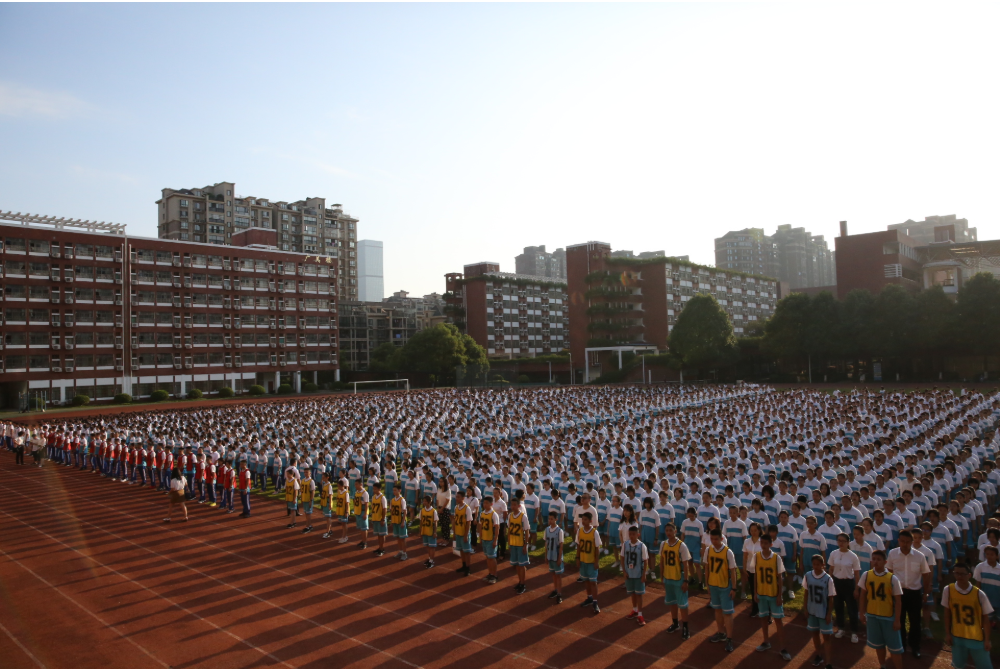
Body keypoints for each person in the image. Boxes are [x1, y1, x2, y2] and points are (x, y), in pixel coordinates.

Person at [885, 529, 931, 658]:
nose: (905, 544)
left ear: (912, 542)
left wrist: (925, 593)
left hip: (914, 592)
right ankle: (901, 646)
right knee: (899, 620)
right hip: (898, 593)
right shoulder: (893, 554)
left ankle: (915, 647)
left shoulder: (919, 556)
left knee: (915, 622)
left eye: (908, 542)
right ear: (898, 541)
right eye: (902, 541)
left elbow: (926, 574)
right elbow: (889, 573)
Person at [858, 549, 904, 670]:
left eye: (878, 560)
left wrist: (897, 620)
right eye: (874, 559)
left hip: (888, 617)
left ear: (885, 562)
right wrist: (861, 613)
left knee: (895, 648)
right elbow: (863, 595)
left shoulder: (892, 578)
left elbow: (898, 601)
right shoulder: (866, 575)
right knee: (878, 645)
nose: (875, 562)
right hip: (872, 616)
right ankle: (882, 666)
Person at [942, 562, 994, 669]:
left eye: (962, 574)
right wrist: (948, 633)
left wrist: (987, 639)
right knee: (958, 666)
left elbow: (985, 619)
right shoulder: (948, 590)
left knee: (985, 667)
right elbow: (947, 614)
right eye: (956, 573)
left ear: (969, 575)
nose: (959, 576)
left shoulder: (979, 594)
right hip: (957, 636)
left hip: (976, 637)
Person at [749, 534, 791, 661]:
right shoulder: (756, 556)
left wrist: (779, 595)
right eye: (762, 543)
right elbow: (755, 575)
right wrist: (755, 592)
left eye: (766, 543)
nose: (763, 545)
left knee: (778, 621)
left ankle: (783, 648)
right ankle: (766, 641)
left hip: (773, 594)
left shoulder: (776, 558)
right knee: (763, 618)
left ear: (771, 544)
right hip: (761, 593)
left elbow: (780, 577)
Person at [704, 527, 738, 653]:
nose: (714, 541)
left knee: (727, 613)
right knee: (717, 610)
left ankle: (729, 638)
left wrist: (734, 588)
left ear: (722, 538)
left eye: (716, 539)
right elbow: (706, 567)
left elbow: (733, 571)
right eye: (712, 539)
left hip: (724, 586)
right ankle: (721, 632)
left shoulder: (728, 552)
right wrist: (707, 584)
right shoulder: (709, 550)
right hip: (713, 585)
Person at [803, 554, 835, 669]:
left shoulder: (828, 579)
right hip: (812, 611)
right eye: (814, 564)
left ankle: (829, 662)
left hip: (823, 612)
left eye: (818, 564)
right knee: (815, 634)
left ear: (823, 565)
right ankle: (818, 655)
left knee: (826, 637)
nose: (816, 567)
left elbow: (831, 598)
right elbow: (806, 593)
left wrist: (829, 614)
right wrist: (805, 608)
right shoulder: (807, 576)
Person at [660, 523, 691, 640]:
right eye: (666, 530)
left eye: (670, 530)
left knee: (682, 604)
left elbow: (686, 564)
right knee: (672, 602)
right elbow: (662, 561)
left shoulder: (681, 546)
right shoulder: (663, 544)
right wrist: (662, 577)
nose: (668, 532)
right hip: (668, 578)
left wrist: (686, 581)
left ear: (675, 531)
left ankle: (686, 628)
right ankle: (675, 623)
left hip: (678, 579)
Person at [828, 532, 861, 643]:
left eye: (843, 541)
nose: (841, 543)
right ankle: (841, 628)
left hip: (848, 583)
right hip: (837, 583)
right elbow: (831, 569)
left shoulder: (853, 556)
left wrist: (856, 589)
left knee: (852, 609)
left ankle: (854, 632)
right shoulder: (833, 553)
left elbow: (856, 574)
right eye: (839, 541)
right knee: (838, 607)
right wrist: (830, 583)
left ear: (848, 542)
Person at [621, 524, 649, 625]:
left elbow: (645, 561)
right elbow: (622, 558)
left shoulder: (642, 546)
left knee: (639, 594)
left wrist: (644, 574)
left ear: (638, 534)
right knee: (632, 593)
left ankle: (640, 614)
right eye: (630, 534)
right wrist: (624, 571)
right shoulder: (625, 544)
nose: (631, 536)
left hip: (638, 573)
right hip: (629, 573)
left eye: (633, 534)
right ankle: (634, 610)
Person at [576, 512, 601, 614]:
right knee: (586, 580)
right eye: (583, 519)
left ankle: (595, 602)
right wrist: (577, 558)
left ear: (590, 521)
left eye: (585, 519)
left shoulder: (594, 532)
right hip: (583, 560)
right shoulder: (580, 531)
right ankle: (589, 597)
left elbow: (597, 548)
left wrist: (596, 561)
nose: (583, 521)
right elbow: (578, 545)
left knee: (593, 582)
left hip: (591, 562)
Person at [508, 496, 531, 594]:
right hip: (513, 543)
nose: (512, 507)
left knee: (522, 565)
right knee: (517, 565)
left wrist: (525, 544)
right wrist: (509, 542)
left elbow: (527, 530)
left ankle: (523, 583)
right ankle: (520, 581)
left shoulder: (523, 516)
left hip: (520, 544)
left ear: (519, 505)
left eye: (514, 505)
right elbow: (509, 530)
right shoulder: (510, 516)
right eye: (511, 505)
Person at [479, 495, 501, 584]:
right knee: (488, 557)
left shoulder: (494, 514)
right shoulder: (482, 513)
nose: (485, 504)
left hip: (490, 539)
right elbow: (480, 526)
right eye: (484, 503)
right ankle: (490, 573)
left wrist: (495, 540)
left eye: (487, 503)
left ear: (491, 504)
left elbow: (497, 528)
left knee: (492, 558)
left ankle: (494, 575)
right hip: (484, 538)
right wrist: (480, 537)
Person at [544, 511, 565, 604]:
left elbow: (561, 545)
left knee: (558, 575)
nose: (550, 520)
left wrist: (559, 558)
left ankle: (559, 593)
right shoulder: (547, 530)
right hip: (550, 555)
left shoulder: (559, 531)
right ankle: (555, 590)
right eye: (549, 519)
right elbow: (546, 544)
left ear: (556, 519)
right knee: (553, 574)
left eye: (552, 519)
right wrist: (546, 556)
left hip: (556, 556)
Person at [452, 489, 474, 575]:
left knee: (467, 551)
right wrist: (454, 532)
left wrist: (466, 535)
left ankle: (468, 568)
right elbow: (454, 520)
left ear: (463, 498)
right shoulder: (456, 507)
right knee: (461, 550)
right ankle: (464, 565)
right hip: (458, 532)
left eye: (458, 497)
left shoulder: (467, 508)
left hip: (464, 532)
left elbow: (469, 522)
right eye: (456, 497)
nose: (456, 498)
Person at [390, 483, 409, 560]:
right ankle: (400, 551)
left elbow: (405, 511)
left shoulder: (402, 500)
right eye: (393, 490)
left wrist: (403, 521)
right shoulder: (392, 500)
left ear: (399, 491)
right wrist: (392, 520)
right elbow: (391, 511)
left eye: (395, 490)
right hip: (395, 520)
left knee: (402, 538)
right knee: (398, 537)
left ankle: (404, 553)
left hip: (400, 521)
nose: (394, 492)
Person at [419, 495, 439, 568]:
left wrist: (435, 532)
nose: (423, 502)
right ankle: (430, 558)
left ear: (429, 502)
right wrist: (420, 531)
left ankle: (431, 560)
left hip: (430, 531)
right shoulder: (422, 510)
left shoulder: (434, 511)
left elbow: (435, 522)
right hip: (424, 531)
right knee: (427, 546)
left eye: (425, 501)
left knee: (431, 547)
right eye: (423, 501)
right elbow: (421, 521)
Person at [370, 482, 388, 556]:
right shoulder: (373, 497)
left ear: (379, 489)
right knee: (378, 534)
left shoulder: (382, 498)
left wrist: (383, 519)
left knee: (382, 534)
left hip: (380, 518)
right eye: (373, 489)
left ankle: (382, 548)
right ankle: (380, 547)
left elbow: (384, 509)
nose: (374, 490)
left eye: (375, 489)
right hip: (375, 518)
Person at [353, 478, 370, 548]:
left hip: (362, 512)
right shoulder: (357, 492)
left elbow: (366, 504)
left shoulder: (365, 493)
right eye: (355, 484)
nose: (355, 486)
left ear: (361, 484)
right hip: (358, 512)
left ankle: (365, 542)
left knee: (364, 528)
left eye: (356, 484)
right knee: (361, 528)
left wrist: (365, 513)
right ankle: (363, 541)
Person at [299, 466, 316, 533]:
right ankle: (308, 525)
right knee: (306, 513)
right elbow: (302, 490)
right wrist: (301, 499)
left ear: (310, 473)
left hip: (308, 499)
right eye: (305, 472)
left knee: (308, 513)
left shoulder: (311, 481)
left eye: (307, 472)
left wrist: (311, 500)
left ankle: (308, 526)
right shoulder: (302, 480)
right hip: (304, 499)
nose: (306, 473)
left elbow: (313, 491)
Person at [320, 472, 336, 538]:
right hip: (324, 502)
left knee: (328, 517)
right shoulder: (325, 484)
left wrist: (330, 504)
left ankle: (328, 531)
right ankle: (329, 530)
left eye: (323, 477)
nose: (322, 478)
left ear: (327, 477)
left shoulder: (329, 485)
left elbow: (330, 495)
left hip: (327, 502)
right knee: (327, 517)